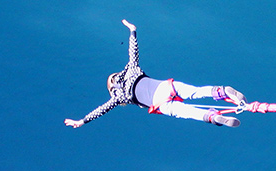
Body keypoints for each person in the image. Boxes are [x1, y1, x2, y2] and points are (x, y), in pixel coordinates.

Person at [65, 20, 247, 129]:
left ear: (112, 88)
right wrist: (132, 31)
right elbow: (133, 51)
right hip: (165, 86)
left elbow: (101, 110)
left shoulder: (118, 96)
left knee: (188, 113)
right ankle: (222, 91)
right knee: (196, 91)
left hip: (160, 104)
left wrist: (82, 121)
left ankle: (213, 117)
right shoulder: (131, 69)